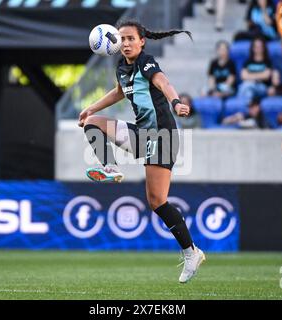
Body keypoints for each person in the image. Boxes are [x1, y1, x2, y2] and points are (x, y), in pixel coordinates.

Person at [78, 20, 206, 283]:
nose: (125, 44)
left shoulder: (146, 63)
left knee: (157, 201)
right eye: (121, 39)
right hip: (143, 133)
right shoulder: (122, 69)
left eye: (130, 39)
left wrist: (176, 102)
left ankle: (191, 252)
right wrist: (91, 108)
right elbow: (119, 92)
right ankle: (110, 167)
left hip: (163, 135)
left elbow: (163, 82)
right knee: (92, 123)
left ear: (142, 41)